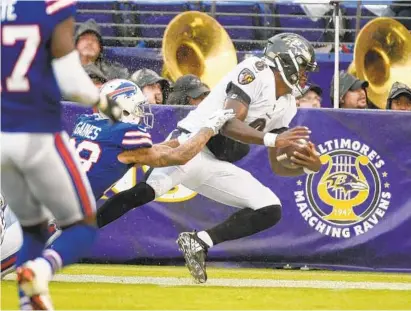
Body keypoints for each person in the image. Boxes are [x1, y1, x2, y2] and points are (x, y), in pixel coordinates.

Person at [95, 33, 323, 283]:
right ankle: (72, 230)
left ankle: (199, 241)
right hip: (191, 144)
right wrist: (272, 139)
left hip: (214, 162)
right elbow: (227, 124)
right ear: (285, 61)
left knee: (270, 208)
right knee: (142, 194)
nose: (304, 76)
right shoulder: (256, 71)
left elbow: (277, 165)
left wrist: (309, 167)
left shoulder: (288, 103)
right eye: (302, 67)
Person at [1, 1, 121, 309]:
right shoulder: (53, 8)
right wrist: (106, 104)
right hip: (36, 132)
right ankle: (41, 269)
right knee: (80, 226)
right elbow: (72, 82)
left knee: (33, 228)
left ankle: (28, 303)